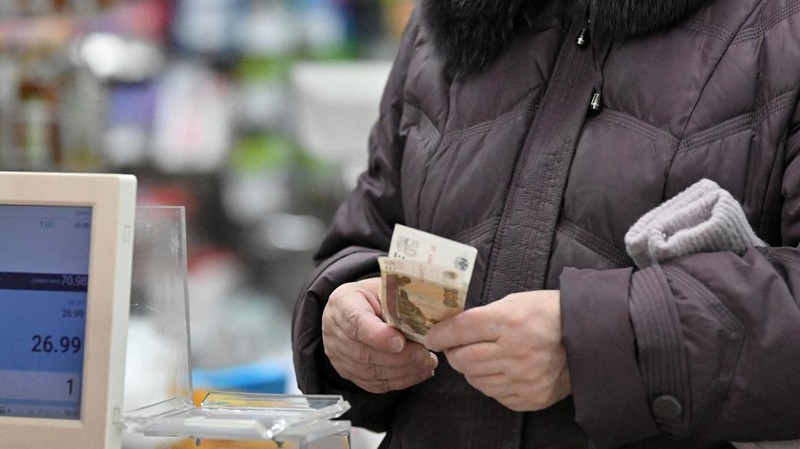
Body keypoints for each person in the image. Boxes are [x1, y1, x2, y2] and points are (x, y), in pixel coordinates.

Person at [292, 0, 800, 447]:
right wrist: (344, 324)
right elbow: (371, 232)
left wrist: (595, 342)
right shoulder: (441, 20)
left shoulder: (781, 28)